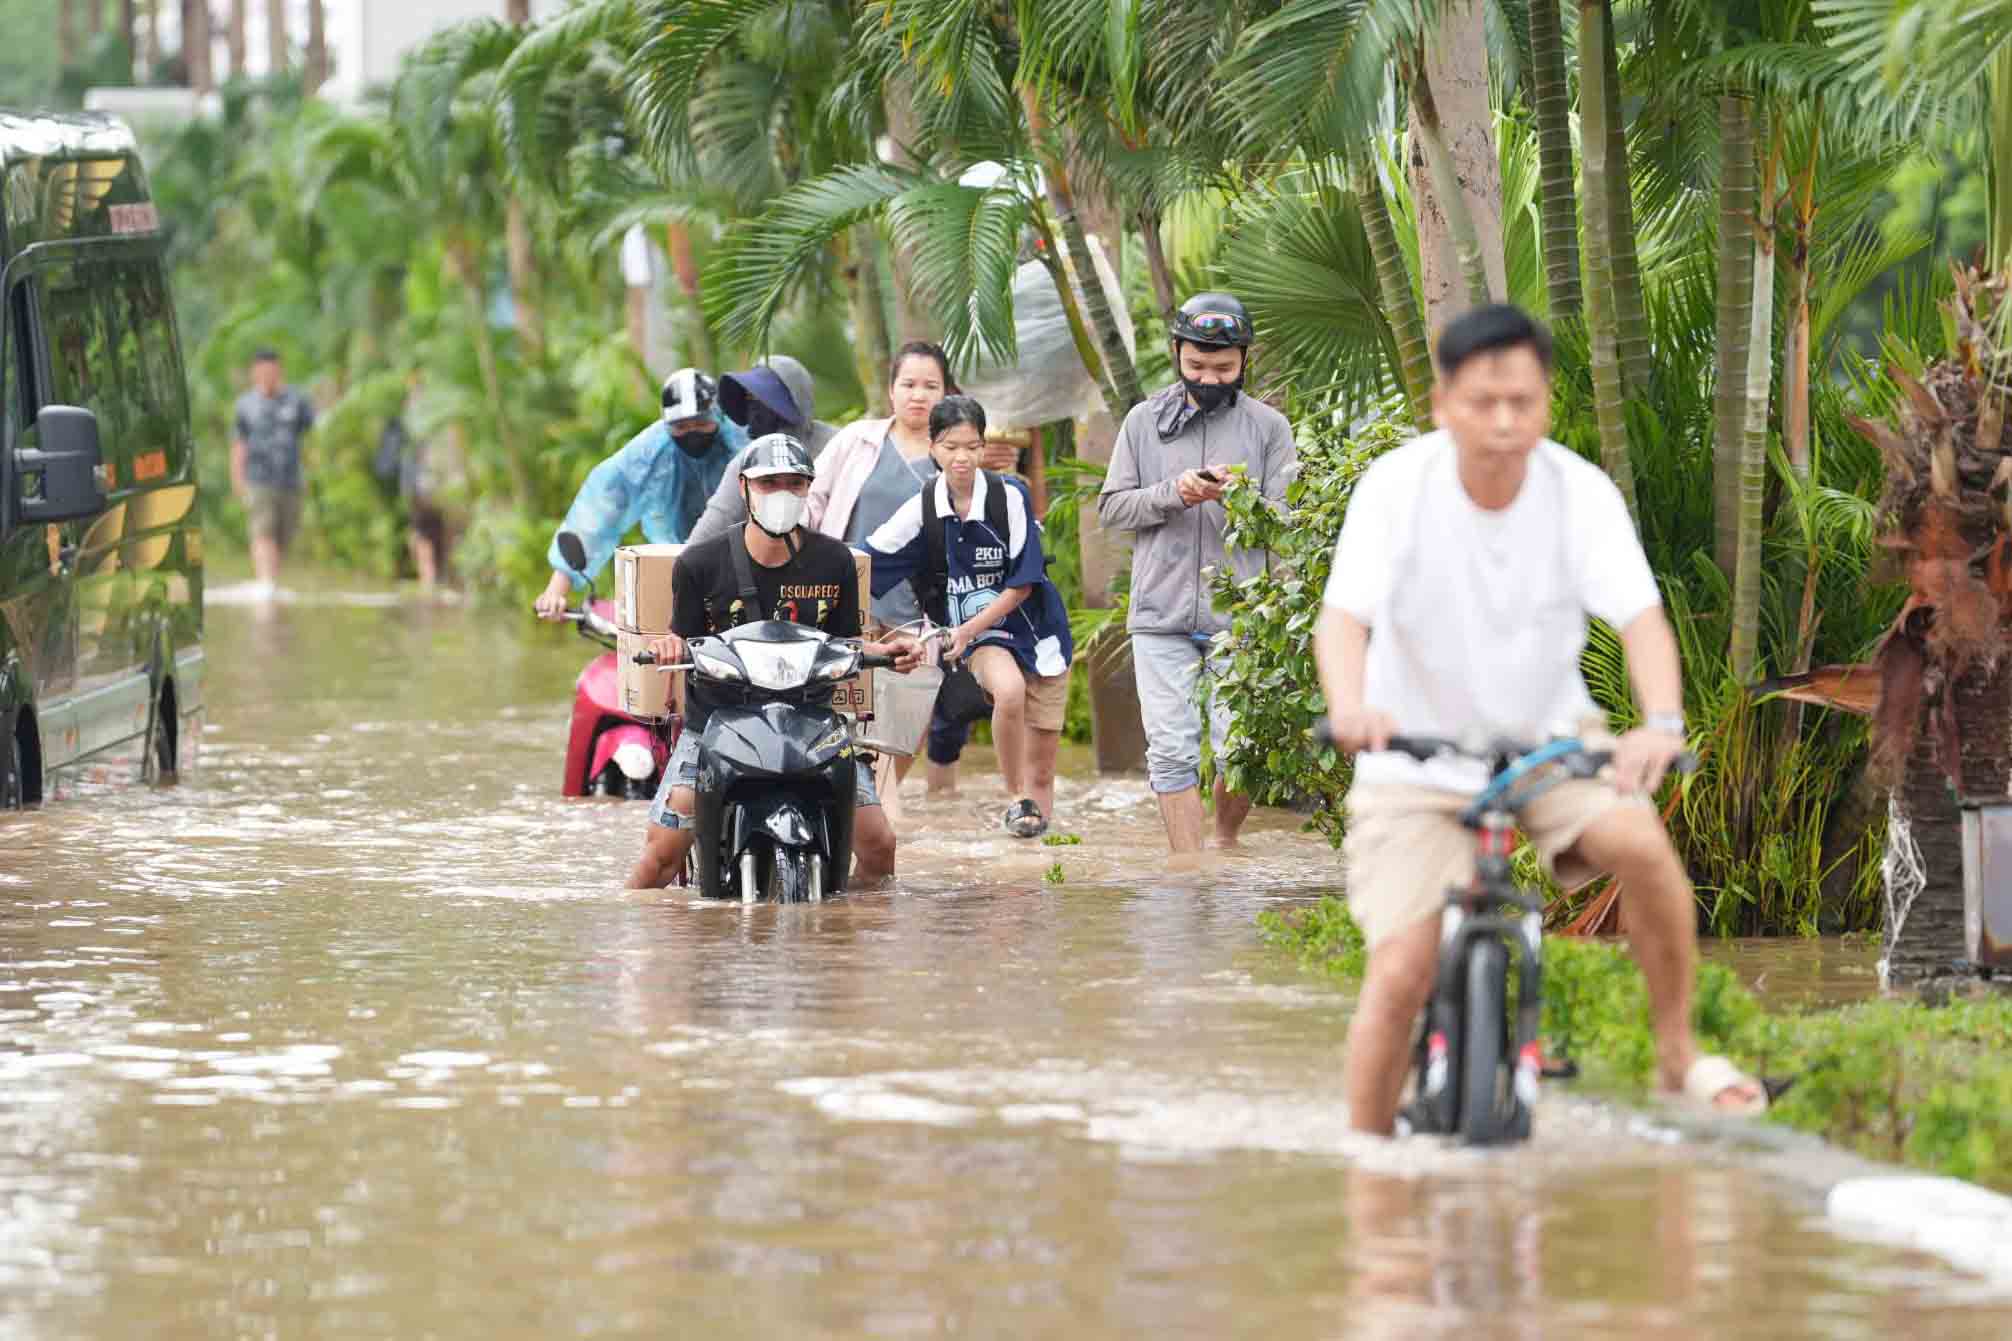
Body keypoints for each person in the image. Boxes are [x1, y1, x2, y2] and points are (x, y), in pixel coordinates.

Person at [1311, 304, 1767, 1133]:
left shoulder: (1578, 493)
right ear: (1443, 400)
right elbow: (1343, 621)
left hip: (1551, 749)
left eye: (1523, 400)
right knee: (1401, 971)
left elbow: (1642, 622)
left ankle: (1675, 1050)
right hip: (1414, 765)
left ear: (1546, 401)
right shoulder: (1396, 490)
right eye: (1484, 401)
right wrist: (1351, 708)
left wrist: (1661, 719)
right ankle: (1369, 1171)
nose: (1505, 420)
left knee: (1642, 847)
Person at [627, 435, 921, 889]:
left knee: (880, 844)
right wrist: (668, 646)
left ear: (808, 490)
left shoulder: (834, 561)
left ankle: (854, 938)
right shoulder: (699, 564)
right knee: (661, 854)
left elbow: (847, 643)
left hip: (813, 724)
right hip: (716, 724)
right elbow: (678, 638)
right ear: (744, 488)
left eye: (794, 483)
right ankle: (639, 948)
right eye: (769, 483)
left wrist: (891, 653)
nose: (782, 493)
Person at [1097, 292, 1296, 855]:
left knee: (1239, 747)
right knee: (1171, 749)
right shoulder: (1142, 422)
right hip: (1160, 614)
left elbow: (1287, 523)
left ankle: (1225, 844)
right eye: (1197, 366)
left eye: (1224, 368)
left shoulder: (1270, 428)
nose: (1209, 377)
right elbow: (1112, 508)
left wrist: (1245, 499)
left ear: (1243, 362)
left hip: (1242, 615)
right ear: (1178, 353)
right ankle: (1186, 869)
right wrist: (1174, 493)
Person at [865, 396, 1074, 837]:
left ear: (983, 448)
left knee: (1044, 770)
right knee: (1009, 691)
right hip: (981, 638)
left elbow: (1023, 582)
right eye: (950, 446)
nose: (961, 457)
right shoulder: (921, 508)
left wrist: (967, 628)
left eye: (972, 446)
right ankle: (1013, 796)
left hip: (1041, 635)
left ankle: (1031, 863)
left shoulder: (1008, 498)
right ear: (933, 447)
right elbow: (867, 559)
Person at [533, 367, 745, 619]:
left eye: (701, 423)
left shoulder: (742, 446)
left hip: (744, 575)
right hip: (672, 575)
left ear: (717, 416)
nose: (692, 433)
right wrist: (557, 588)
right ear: (666, 422)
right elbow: (599, 507)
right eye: (681, 426)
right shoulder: (648, 453)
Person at [686, 354, 839, 543]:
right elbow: (711, 527)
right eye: (749, 399)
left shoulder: (838, 444)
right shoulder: (747, 462)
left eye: (764, 400)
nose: (754, 410)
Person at [231, 348, 316, 595]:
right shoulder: (245, 405)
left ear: (279, 371)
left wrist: (310, 473)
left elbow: (310, 437)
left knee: (283, 535)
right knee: (262, 529)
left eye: (272, 370)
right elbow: (238, 445)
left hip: (289, 479)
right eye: (262, 371)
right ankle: (266, 581)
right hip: (258, 479)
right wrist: (237, 478)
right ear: (254, 373)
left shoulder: (296, 401)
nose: (267, 375)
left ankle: (271, 582)